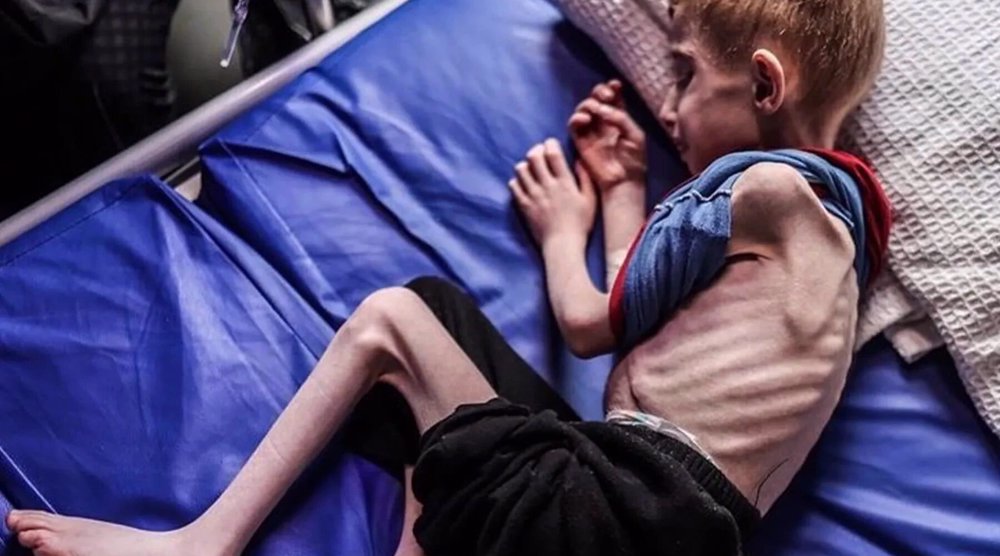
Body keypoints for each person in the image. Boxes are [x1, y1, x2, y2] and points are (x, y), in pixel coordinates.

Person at [6, 1, 892, 555]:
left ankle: (204, 542)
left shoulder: (768, 188)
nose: (667, 105)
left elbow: (592, 321)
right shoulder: (839, 257)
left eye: (689, 73)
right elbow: (655, 323)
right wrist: (624, 186)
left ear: (767, 84)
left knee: (395, 319)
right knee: (447, 326)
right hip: (664, 519)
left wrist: (565, 226)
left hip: (608, 502)